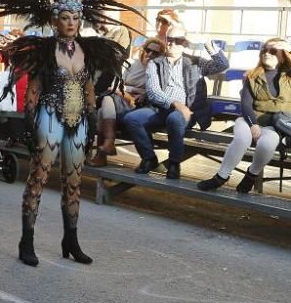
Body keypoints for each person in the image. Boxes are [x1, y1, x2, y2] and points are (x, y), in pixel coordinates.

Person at [0, 0, 145, 268]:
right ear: (54, 21)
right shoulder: (43, 50)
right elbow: (34, 88)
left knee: (74, 182)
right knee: (38, 178)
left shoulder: (88, 50)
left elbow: (88, 86)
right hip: (50, 119)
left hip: (77, 121)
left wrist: (92, 118)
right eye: (65, 18)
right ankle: (27, 240)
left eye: (76, 19)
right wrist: (33, 119)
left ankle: (71, 239)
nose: (71, 23)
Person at [123, 24, 228, 179]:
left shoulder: (195, 62)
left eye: (178, 40)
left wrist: (206, 42)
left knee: (174, 119)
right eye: (169, 39)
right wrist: (177, 104)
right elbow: (153, 92)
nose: (172, 43)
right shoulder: (156, 63)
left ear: (185, 43)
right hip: (160, 108)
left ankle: (174, 163)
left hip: (186, 110)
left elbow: (222, 65)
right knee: (132, 119)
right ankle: (149, 158)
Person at [198, 38, 291, 192]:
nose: (267, 53)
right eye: (264, 50)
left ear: (283, 56)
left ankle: (251, 176)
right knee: (242, 139)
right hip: (249, 120)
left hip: (274, 125)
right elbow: (246, 104)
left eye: (273, 51)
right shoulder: (252, 76)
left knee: (267, 144)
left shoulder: (289, 77)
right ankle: (221, 176)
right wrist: (253, 123)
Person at [87, 36, 164, 167]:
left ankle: (103, 153)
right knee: (106, 102)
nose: (150, 54)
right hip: (121, 99)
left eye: (155, 52)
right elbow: (117, 85)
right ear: (143, 49)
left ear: (160, 55)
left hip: (136, 106)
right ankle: (107, 145)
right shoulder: (134, 65)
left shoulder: (160, 70)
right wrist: (132, 91)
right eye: (147, 50)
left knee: (103, 107)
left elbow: (154, 91)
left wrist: (138, 91)